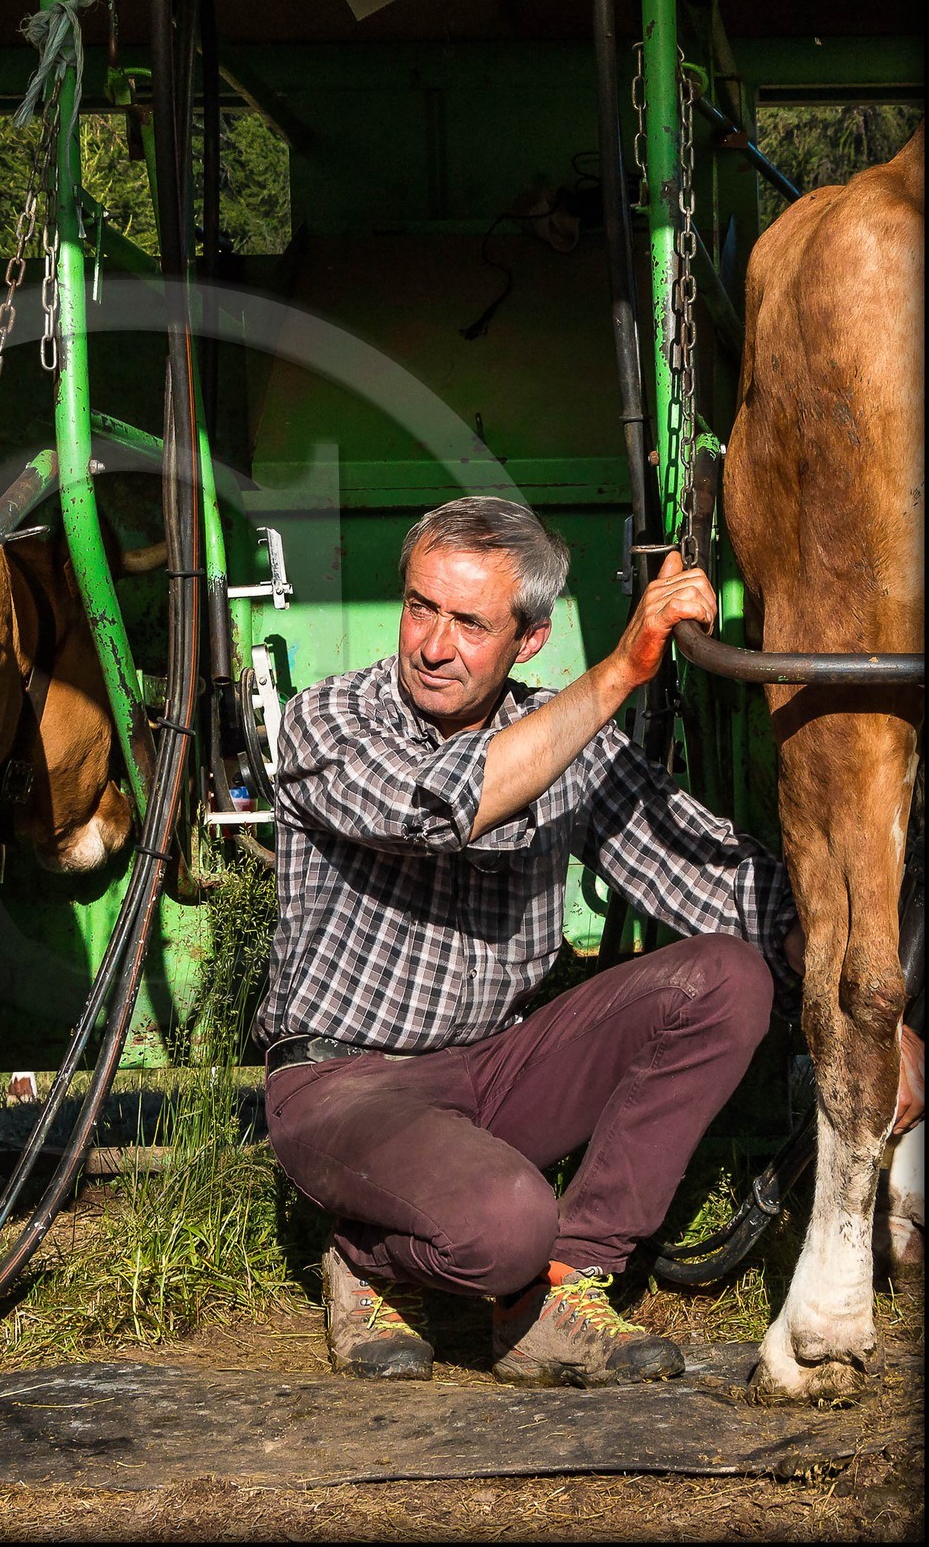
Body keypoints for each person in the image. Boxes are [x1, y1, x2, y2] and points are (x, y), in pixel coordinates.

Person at [257, 495, 925, 1387]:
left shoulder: (572, 746)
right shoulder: (328, 720)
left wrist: (866, 1018)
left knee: (725, 975)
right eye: (422, 607)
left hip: (493, 1070)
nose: (433, 645)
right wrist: (620, 671)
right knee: (503, 1227)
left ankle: (562, 1283)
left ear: (528, 642)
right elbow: (440, 809)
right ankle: (366, 1256)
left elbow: (722, 883)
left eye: (469, 622)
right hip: (341, 1085)